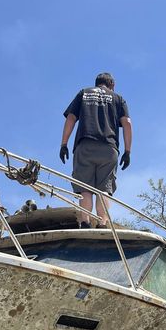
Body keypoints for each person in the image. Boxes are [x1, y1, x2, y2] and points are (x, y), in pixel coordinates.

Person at [60, 72, 132, 228]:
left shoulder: (84, 93)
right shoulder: (118, 98)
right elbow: (127, 123)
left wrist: (64, 144)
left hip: (85, 145)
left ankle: (85, 222)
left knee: (84, 188)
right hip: (109, 148)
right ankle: (102, 224)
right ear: (111, 84)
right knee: (104, 189)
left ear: (96, 83)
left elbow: (71, 118)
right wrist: (127, 151)